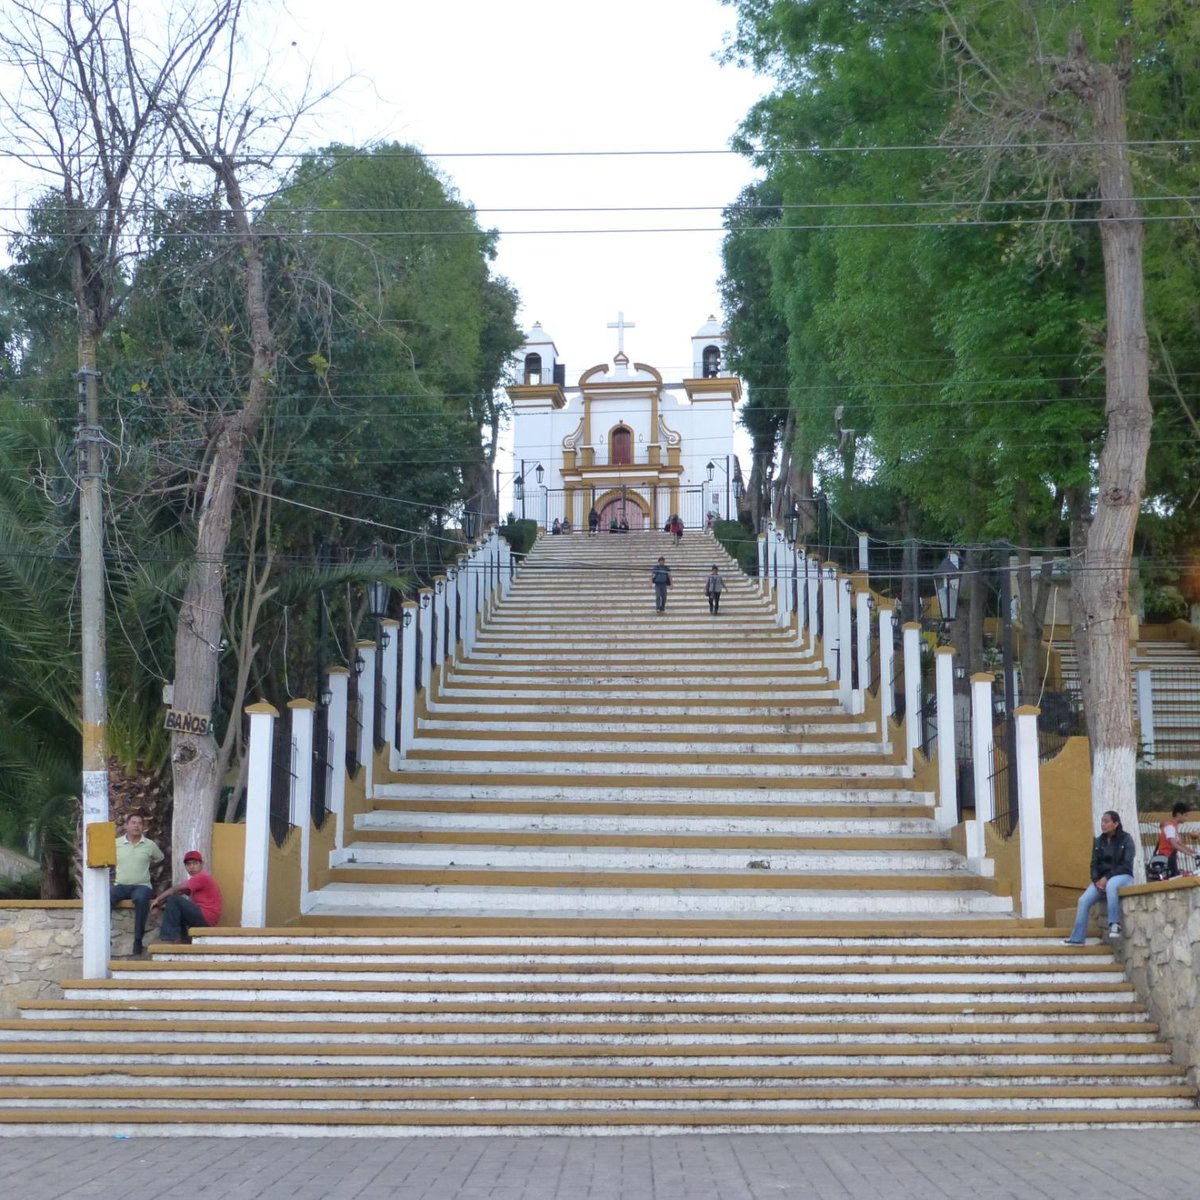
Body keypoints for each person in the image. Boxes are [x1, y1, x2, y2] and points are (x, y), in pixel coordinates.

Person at [1063, 810, 1137, 944]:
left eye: (1106, 821)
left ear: (1115, 824)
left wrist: (1107, 878)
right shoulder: (1098, 842)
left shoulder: (1126, 839)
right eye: (1102, 821)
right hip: (1102, 881)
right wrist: (1097, 881)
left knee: (1112, 884)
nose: (1103, 824)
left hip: (1123, 876)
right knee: (1083, 901)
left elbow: (1126, 864)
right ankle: (1077, 938)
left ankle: (1114, 924)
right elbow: (1094, 865)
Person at [109, 813, 164, 957]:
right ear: (126, 825)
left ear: (143, 827)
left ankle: (138, 942)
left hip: (142, 885)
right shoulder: (116, 843)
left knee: (141, 899)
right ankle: (104, 938)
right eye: (133, 822)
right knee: (106, 898)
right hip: (120, 885)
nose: (136, 825)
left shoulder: (150, 845)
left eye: (139, 823)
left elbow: (160, 858)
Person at [151, 849, 222, 945]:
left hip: (207, 917)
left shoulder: (202, 877)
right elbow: (178, 892)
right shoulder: (196, 880)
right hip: (206, 917)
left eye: (195, 863)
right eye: (188, 864)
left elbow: (174, 890)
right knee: (175, 907)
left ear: (201, 864)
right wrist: (159, 905)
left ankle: (169, 937)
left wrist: (157, 899)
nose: (191, 867)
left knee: (174, 900)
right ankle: (183, 940)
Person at [1155, 802, 1199, 878]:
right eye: (1185, 815)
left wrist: (1194, 852)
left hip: (1171, 858)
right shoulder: (1170, 826)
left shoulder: (1175, 826)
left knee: (1175, 876)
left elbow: (1180, 844)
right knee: (1171, 879)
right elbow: (1174, 844)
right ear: (1178, 814)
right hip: (1166, 859)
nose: (1186, 818)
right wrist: (1190, 854)